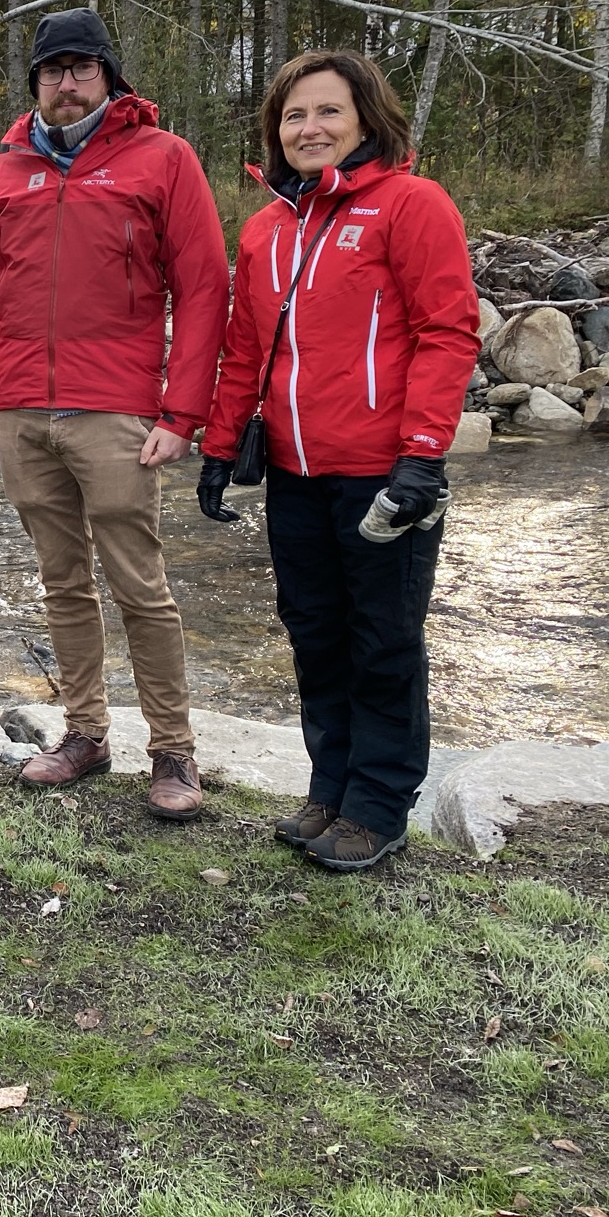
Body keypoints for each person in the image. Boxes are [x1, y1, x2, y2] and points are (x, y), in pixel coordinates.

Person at [0, 9, 229, 821]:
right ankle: (85, 734)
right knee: (63, 582)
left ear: (110, 76)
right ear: (34, 81)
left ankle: (172, 749)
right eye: (52, 70)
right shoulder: (5, 170)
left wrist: (183, 411)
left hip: (118, 410)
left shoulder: (163, 159)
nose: (66, 83)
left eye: (81, 68)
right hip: (24, 410)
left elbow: (204, 287)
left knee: (141, 584)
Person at [198, 49, 478, 870]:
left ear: (365, 120)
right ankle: (331, 788)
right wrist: (220, 451)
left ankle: (380, 804)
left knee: (383, 640)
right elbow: (245, 349)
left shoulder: (411, 205)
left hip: (384, 475)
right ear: (274, 132)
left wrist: (422, 458)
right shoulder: (265, 229)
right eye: (294, 115)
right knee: (315, 633)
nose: (309, 128)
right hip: (294, 473)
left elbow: (447, 332)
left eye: (328, 111)